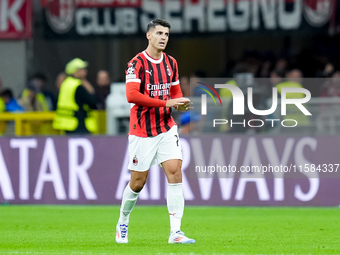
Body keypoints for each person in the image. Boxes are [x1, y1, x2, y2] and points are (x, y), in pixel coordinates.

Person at [116, 18, 195, 244]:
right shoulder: (136, 63)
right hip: (142, 129)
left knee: (175, 171)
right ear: (148, 35)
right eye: (159, 33)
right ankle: (123, 220)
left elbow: (175, 92)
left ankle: (176, 232)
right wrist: (166, 103)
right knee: (138, 181)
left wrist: (180, 102)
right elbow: (132, 96)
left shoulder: (171, 62)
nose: (163, 38)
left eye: (167, 34)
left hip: (166, 127)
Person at [53, 58, 97, 134]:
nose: (85, 71)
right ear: (76, 71)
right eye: (83, 69)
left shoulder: (66, 84)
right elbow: (93, 102)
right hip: (78, 124)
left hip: (66, 124)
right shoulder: (77, 86)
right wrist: (87, 84)